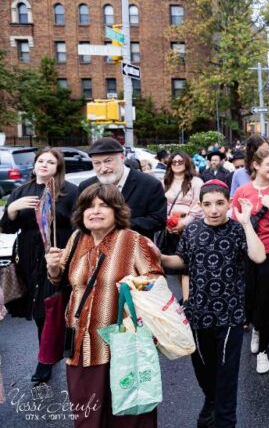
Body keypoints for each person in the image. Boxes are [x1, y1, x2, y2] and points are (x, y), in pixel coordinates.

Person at [45, 183, 164, 428]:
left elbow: (156, 284)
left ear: (117, 210)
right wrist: (53, 268)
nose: (95, 211)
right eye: (89, 206)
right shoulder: (77, 239)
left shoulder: (134, 241)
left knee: (128, 416)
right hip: (82, 345)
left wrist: (132, 284)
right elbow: (61, 279)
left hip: (124, 346)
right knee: (87, 416)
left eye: (103, 205)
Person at [161, 180, 265, 428]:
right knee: (203, 369)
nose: (214, 210)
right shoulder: (192, 230)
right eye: (208, 204)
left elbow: (259, 256)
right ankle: (211, 402)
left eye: (220, 203)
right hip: (197, 313)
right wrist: (159, 256)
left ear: (229, 203)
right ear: (200, 205)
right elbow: (181, 262)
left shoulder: (237, 229)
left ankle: (225, 420)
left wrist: (246, 222)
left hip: (230, 314)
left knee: (226, 373)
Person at [1, 147, 78, 383]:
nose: (44, 165)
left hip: (57, 254)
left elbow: (78, 225)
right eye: (41, 161)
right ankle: (48, 354)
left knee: (52, 306)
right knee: (39, 310)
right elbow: (7, 228)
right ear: (34, 166)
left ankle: (49, 357)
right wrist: (12, 209)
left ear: (58, 167)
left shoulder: (69, 192)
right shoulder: (21, 191)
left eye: (51, 162)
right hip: (29, 256)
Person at [231, 147, 269, 374]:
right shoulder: (242, 192)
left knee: (267, 301)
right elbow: (235, 223)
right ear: (255, 165)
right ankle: (256, 328)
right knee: (249, 297)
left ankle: (264, 350)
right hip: (247, 253)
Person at [78, 137, 166, 241]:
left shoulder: (149, 184)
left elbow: (158, 220)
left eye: (108, 161)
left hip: (136, 247)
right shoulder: (86, 186)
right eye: (97, 163)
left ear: (122, 158)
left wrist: (116, 224)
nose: (103, 168)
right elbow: (78, 219)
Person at [162, 151, 204, 300]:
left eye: (180, 161)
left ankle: (195, 296)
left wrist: (184, 223)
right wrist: (168, 222)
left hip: (191, 225)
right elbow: (161, 204)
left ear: (186, 163)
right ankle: (185, 298)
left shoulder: (196, 182)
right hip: (170, 226)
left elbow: (199, 204)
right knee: (177, 265)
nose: (177, 164)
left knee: (191, 264)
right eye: (174, 162)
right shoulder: (165, 181)